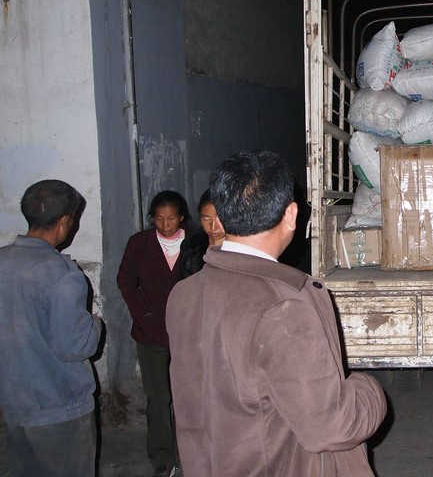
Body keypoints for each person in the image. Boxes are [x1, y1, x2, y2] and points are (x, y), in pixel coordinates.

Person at [166, 150, 387, 476]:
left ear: (220, 218)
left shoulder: (183, 295)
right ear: (291, 215)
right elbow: (330, 425)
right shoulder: (284, 308)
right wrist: (369, 391)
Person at [0, 180, 102, 476]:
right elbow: (75, 347)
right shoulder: (62, 274)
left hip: (14, 403)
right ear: (65, 222)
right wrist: (96, 324)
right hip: (59, 408)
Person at [117, 190, 189, 477]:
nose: (165, 224)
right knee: (158, 398)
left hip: (188, 334)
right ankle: (162, 457)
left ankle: (188, 451)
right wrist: (142, 313)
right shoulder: (140, 243)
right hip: (150, 334)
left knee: (187, 396)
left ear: (181, 218)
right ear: (151, 219)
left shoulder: (195, 244)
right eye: (159, 219)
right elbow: (125, 281)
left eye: (171, 219)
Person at [179, 189, 225, 279]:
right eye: (206, 219)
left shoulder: (241, 246)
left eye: (220, 219)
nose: (213, 227)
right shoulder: (191, 245)